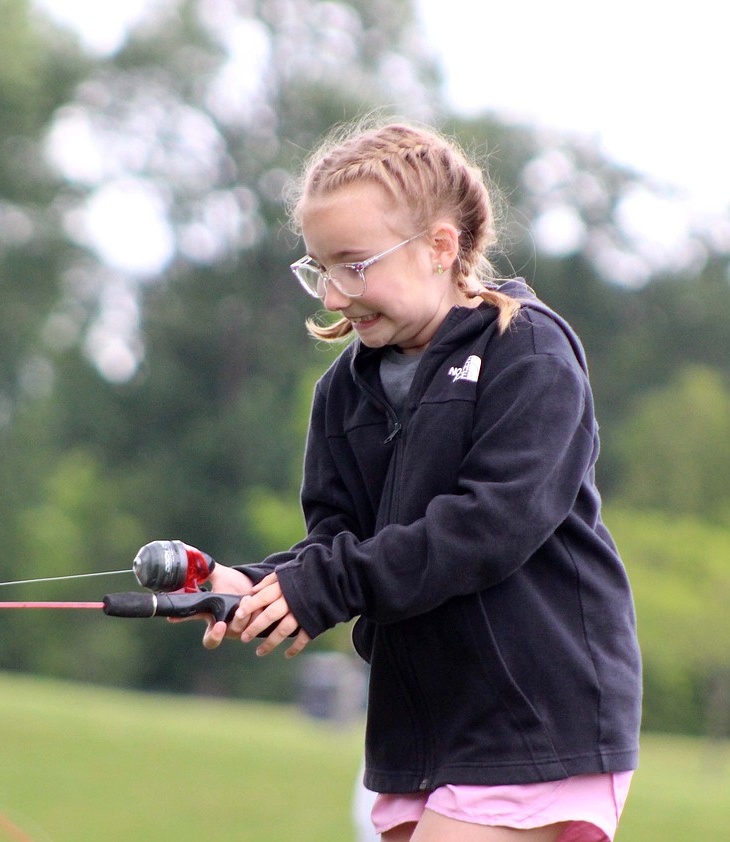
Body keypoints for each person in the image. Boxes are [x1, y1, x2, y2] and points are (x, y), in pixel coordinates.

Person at [193, 121, 642, 842]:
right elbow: (342, 545)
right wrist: (257, 585)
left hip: (534, 714)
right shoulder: (342, 394)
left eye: (354, 265)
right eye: (319, 269)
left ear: (440, 246)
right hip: (420, 725)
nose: (335, 296)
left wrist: (324, 586)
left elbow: (485, 527)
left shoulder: (527, 352)